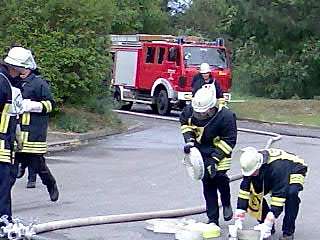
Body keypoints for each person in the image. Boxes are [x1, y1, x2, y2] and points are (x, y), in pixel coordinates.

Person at [4, 46, 59, 201]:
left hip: (33, 134)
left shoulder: (39, 83)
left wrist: (33, 106)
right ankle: (4, 200)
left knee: (39, 166)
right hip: (16, 133)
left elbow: (51, 105)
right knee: (10, 173)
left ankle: (51, 184)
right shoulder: (12, 82)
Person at [180, 85, 237, 226]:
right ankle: (213, 219)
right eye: (197, 113)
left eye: (203, 113)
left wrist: (215, 159)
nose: (199, 116)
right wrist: (189, 141)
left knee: (220, 178)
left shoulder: (226, 116)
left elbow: (229, 141)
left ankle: (226, 202)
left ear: (212, 108)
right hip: (201, 151)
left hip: (220, 151)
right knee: (207, 184)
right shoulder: (190, 110)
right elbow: (185, 125)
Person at [234, 147, 308, 240]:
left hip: (294, 168)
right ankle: (266, 224)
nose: (251, 175)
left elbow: (279, 197)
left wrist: (268, 223)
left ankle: (288, 232)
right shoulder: (250, 164)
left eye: (253, 172)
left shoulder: (278, 168)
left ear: (259, 165)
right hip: (270, 171)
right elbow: (244, 191)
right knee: (254, 192)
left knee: (291, 194)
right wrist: (239, 218)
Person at [0, 56, 24, 223]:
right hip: (1, 144)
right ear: (13, 68)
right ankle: (4, 222)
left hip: (4, 142)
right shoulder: (3, 83)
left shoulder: (6, 82)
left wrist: (15, 131)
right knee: (3, 185)